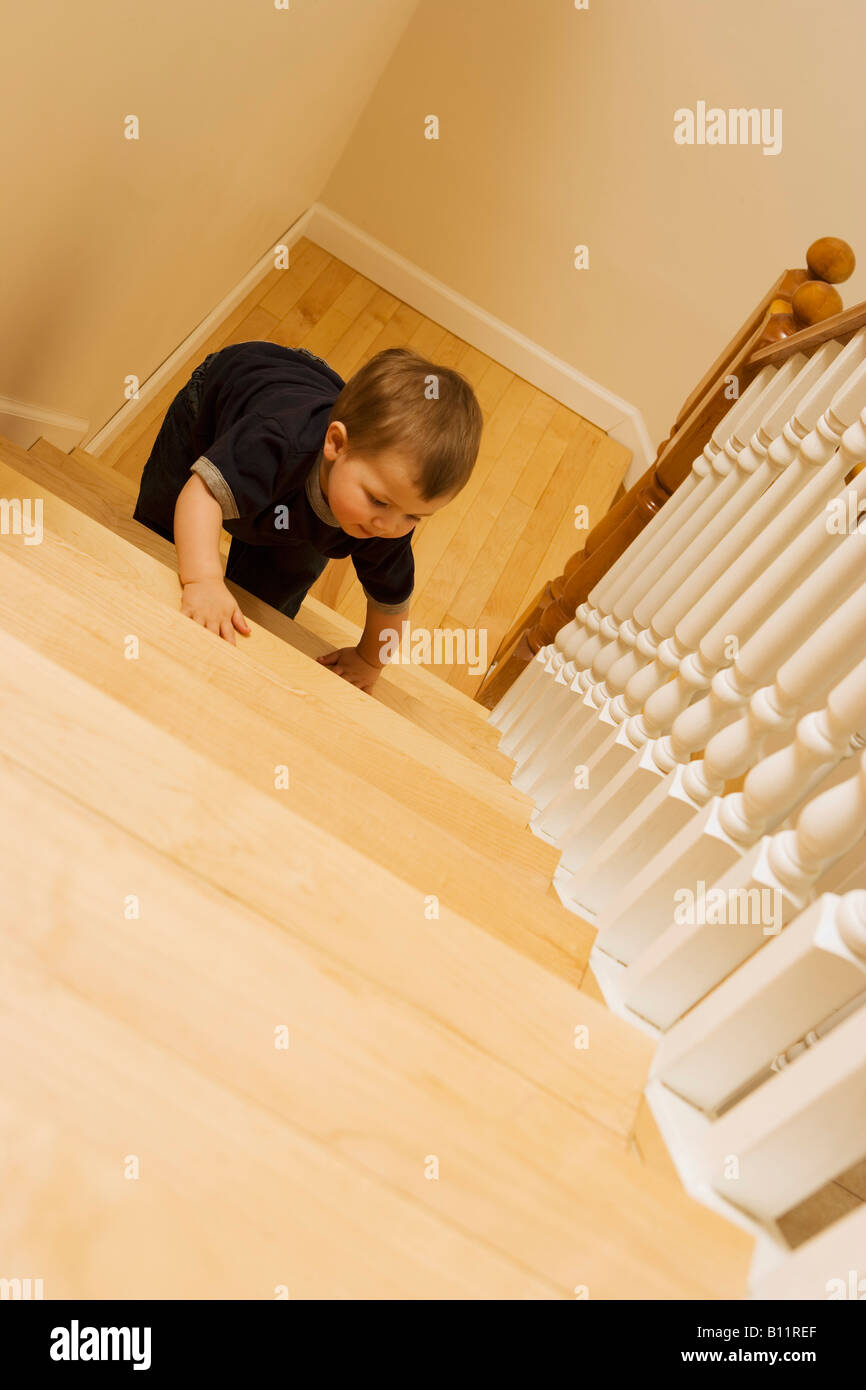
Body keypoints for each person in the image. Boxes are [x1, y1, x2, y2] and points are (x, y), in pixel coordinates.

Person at [133, 341, 483, 692]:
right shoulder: (275, 439)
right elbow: (202, 495)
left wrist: (369, 659)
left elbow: (390, 603)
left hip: (303, 490)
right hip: (216, 405)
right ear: (336, 444)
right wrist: (204, 581)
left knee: (275, 591)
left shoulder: (386, 521)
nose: (388, 525)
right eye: (378, 500)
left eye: (414, 517)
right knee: (158, 530)